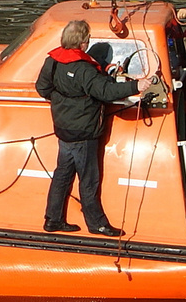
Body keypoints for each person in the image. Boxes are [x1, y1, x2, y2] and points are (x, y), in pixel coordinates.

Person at [36, 20, 153, 235]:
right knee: (89, 179)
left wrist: (64, 100)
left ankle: (53, 220)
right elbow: (106, 92)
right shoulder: (84, 69)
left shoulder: (51, 62)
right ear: (82, 43)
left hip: (63, 129)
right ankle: (97, 224)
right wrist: (137, 85)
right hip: (85, 131)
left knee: (62, 175)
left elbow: (42, 88)